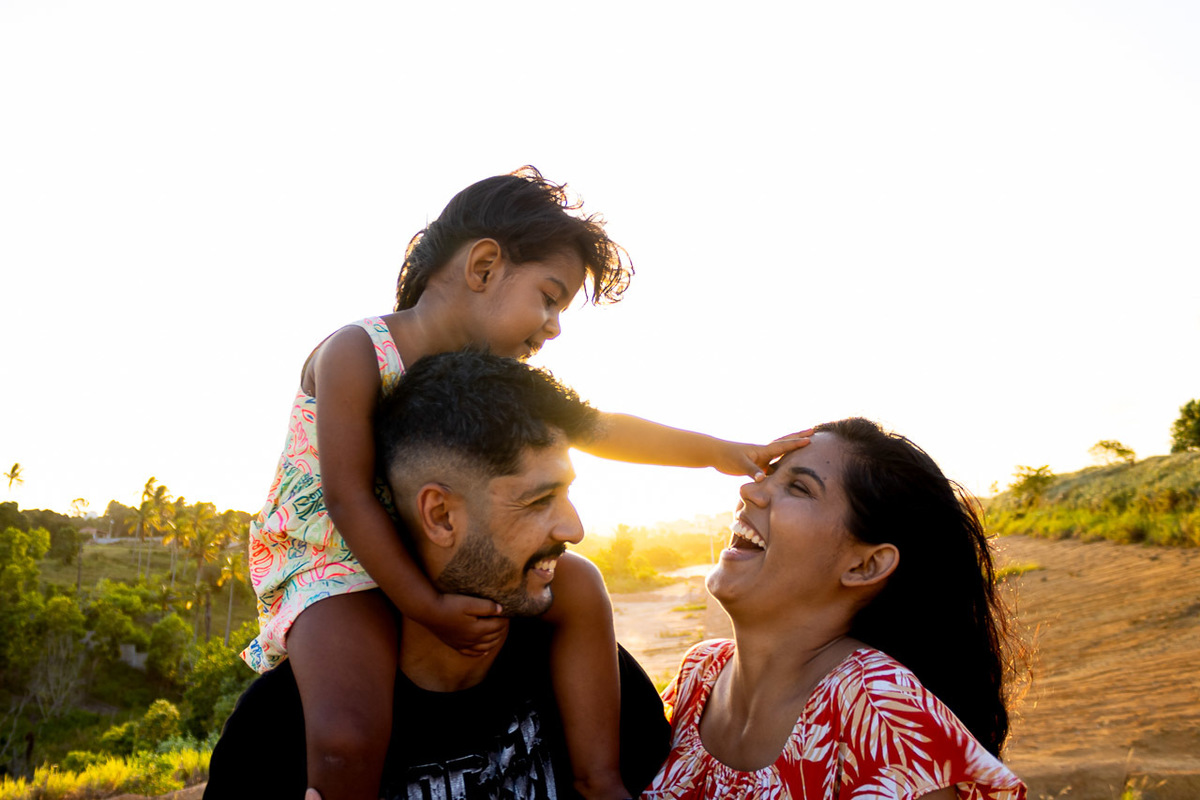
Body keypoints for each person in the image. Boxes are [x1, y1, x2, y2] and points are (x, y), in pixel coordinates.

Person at [240, 166, 806, 800]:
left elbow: (601, 427)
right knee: (348, 737)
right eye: (549, 296)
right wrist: (425, 609)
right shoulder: (356, 351)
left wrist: (722, 453)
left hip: (441, 549)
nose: (554, 325)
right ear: (484, 267)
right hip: (335, 559)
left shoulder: (491, 383)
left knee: (581, 585)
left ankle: (601, 779)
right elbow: (345, 494)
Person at [207, 351, 673, 798]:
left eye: (567, 494)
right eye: (537, 501)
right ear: (441, 516)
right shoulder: (284, 732)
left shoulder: (584, 675)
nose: (574, 528)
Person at [642, 418, 1028, 799]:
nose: (749, 490)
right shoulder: (700, 675)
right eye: (767, 476)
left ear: (865, 566)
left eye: (798, 487)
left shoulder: (881, 710)